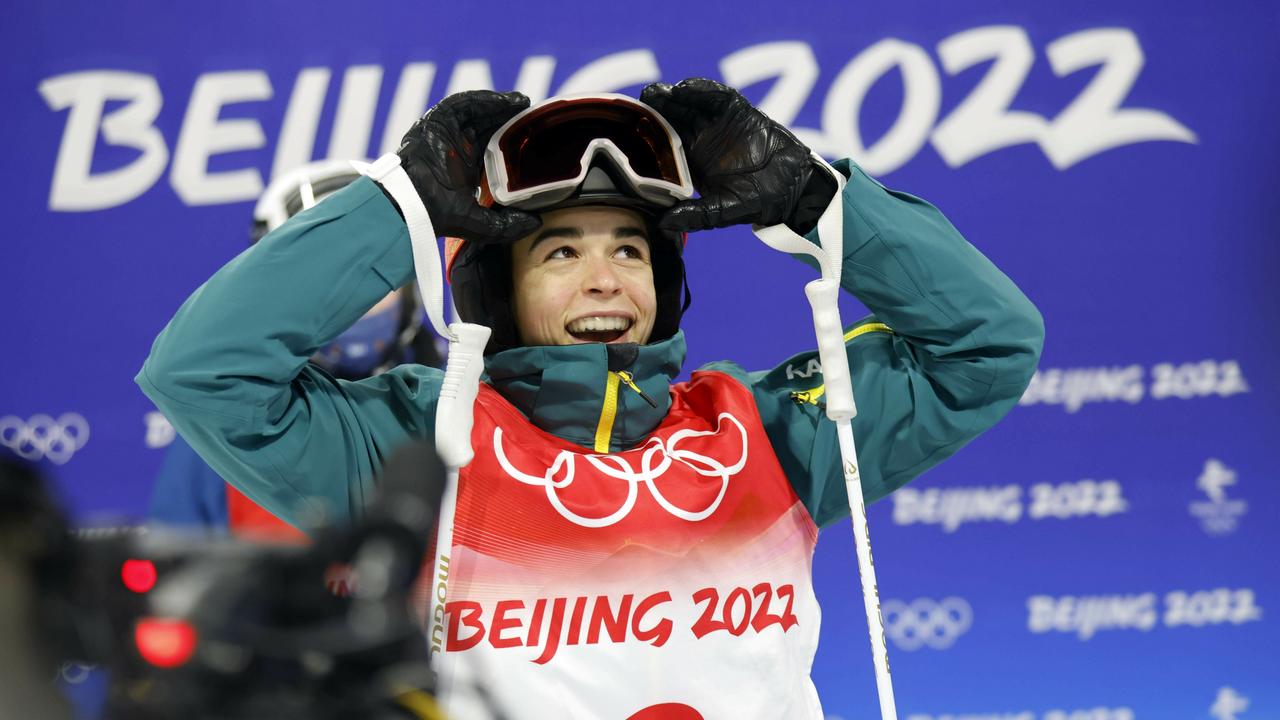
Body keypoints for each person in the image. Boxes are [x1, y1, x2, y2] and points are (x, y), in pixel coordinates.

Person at [137, 78, 1044, 718]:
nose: (604, 278)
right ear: (498, 292)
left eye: (629, 249)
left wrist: (816, 199)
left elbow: (987, 345)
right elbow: (204, 374)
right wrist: (402, 205)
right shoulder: (420, 440)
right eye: (561, 253)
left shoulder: (766, 432)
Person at [146, 160, 443, 541]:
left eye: (369, 280)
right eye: (326, 287)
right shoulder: (225, 423)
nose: (354, 306)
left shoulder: (459, 400)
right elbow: (176, 573)